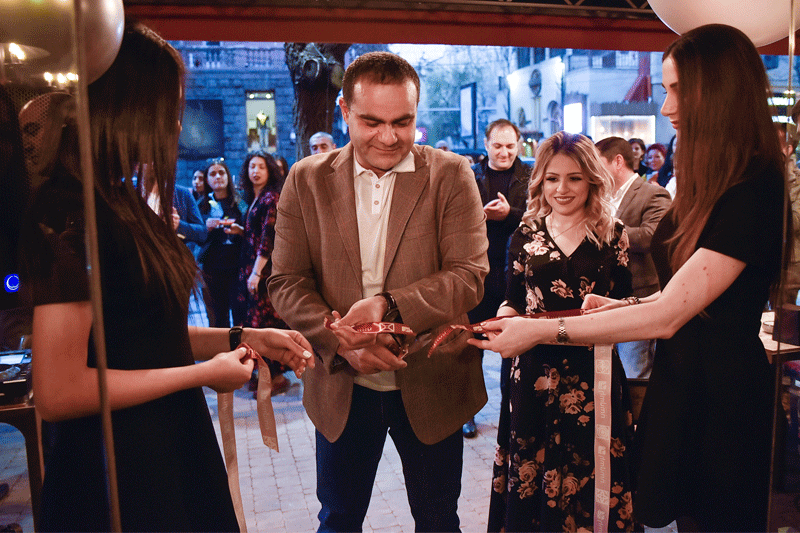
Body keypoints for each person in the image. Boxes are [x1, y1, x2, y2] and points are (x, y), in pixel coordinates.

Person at [471, 24, 786, 532]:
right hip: (685, 383)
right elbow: (681, 296)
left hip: (722, 398)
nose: (666, 106)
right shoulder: (718, 179)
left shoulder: (753, 185)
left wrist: (539, 331)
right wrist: (622, 306)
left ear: (719, 89)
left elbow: (669, 315)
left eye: (677, 89)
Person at [20, 21, 313, 532]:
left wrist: (244, 336)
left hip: (165, 437)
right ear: (126, 107)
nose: (176, 127)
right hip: (119, 464)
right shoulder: (70, 212)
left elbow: (143, 337)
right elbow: (59, 391)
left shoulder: (119, 199)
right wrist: (202, 374)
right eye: (170, 110)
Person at [268, 51, 489, 532]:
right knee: (339, 519)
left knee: (438, 520)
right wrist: (341, 341)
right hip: (341, 385)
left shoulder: (451, 174)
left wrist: (388, 306)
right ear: (344, 112)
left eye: (402, 122)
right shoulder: (306, 179)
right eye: (371, 122)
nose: (389, 138)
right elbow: (285, 282)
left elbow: (469, 275)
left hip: (432, 376)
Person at [484, 131, 635, 532]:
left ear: (592, 180)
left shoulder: (613, 233)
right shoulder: (525, 233)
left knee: (592, 471)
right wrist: (501, 322)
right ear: (540, 181)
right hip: (533, 371)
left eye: (574, 178)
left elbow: (627, 303)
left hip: (593, 371)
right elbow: (513, 299)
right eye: (552, 178)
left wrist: (612, 310)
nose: (562, 189)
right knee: (532, 471)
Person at [466, 118, 531, 438]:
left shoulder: (530, 176)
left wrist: (510, 215)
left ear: (518, 145)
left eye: (510, 146)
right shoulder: (469, 174)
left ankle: (511, 411)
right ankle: (467, 412)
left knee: (514, 344)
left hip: (515, 272)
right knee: (469, 346)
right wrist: (481, 214)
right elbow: (454, 216)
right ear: (486, 144)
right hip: (475, 272)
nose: (504, 152)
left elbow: (540, 217)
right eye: (497, 146)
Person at [596, 136, 671, 378]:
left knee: (634, 371)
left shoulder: (653, 193)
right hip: (604, 296)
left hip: (639, 294)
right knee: (606, 374)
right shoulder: (600, 195)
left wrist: (608, 229)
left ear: (618, 161)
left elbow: (652, 237)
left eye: (598, 163)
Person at [237, 151, 291, 396]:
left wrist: (257, 273)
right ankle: (262, 373)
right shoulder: (255, 196)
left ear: (270, 170)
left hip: (263, 271)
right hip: (250, 266)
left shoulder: (271, 197)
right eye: (252, 167)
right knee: (254, 322)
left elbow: (268, 238)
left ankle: (275, 376)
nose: (255, 171)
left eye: (261, 167)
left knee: (265, 323)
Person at [197, 158, 247, 328]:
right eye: (212, 174)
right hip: (212, 267)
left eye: (221, 173)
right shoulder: (201, 205)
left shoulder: (239, 201)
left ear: (227, 176)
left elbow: (251, 227)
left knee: (240, 314)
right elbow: (195, 234)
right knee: (218, 316)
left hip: (238, 265)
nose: (217, 177)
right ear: (207, 179)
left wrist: (240, 230)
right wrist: (206, 227)